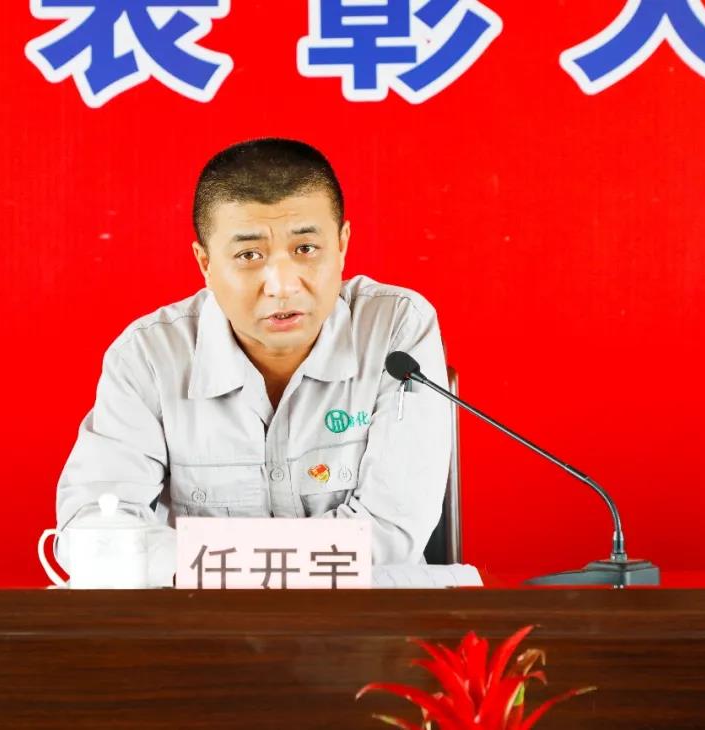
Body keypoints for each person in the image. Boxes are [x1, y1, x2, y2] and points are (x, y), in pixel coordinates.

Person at [55, 138, 450, 565]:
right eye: (249, 255)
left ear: (342, 246)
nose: (282, 286)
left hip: (364, 608)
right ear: (206, 264)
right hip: (203, 609)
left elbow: (391, 536)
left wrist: (199, 558)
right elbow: (92, 533)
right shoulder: (150, 356)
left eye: (305, 249)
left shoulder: (395, 327)